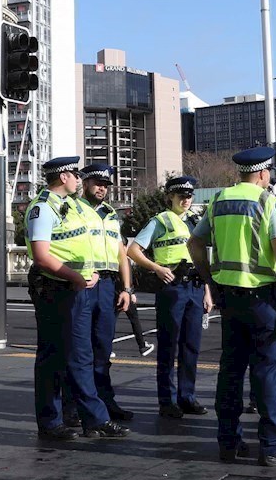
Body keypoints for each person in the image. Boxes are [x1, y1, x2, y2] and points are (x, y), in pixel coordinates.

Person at [189, 146, 276, 467]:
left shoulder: (218, 200)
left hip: (230, 297)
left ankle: (228, 441)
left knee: (230, 371)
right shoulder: (267, 202)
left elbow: (194, 243)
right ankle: (273, 446)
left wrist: (210, 280)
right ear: (264, 174)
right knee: (267, 373)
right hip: (262, 298)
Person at [25, 156, 129, 441]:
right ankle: (55, 422)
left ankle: (88, 419)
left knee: (78, 355)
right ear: (64, 177)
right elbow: (42, 256)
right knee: (54, 356)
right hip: (55, 288)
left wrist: (88, 273)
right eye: (75, 175)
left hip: (75, 287)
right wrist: (76, 277)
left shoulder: (69, 206)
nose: (78, 180)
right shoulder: (43, 208)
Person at [128, 175, 210, 418]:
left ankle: (187, 397)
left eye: (189, 196)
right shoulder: (160, 221)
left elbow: (202, 258)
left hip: (195, 286)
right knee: (168, 345)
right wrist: (156, 268)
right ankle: (167, 401)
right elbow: (133, 250)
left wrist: (207, 291)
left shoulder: (196, 221)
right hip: (172, 287)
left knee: (191, 345)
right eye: (181, 196)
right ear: (170, 197)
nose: (186, 200)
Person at [79, 163, 136, 423]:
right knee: (80, 350)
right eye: (97, 183)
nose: (102, 189)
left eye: (105, 185)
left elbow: (121, 253)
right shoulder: (75, 209)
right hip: (84, 283)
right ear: (85, 183)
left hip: (108, 286)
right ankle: (74, 406)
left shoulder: (111, 214)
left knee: (103, 349)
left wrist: (126, 288)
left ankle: (105, 402)